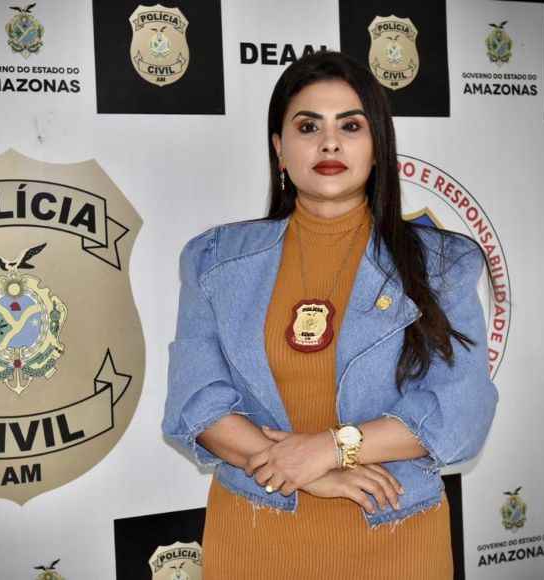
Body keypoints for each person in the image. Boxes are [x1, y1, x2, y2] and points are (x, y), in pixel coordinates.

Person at [162, 50, 498, 579]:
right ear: (279, 148)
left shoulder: (441, 264)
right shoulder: (214, 261)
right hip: (254, 537)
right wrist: (312, 473)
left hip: (396, 537)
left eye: (350, 125)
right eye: (307, 126)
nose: (329, 142)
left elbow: (461, 413)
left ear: (377, 147)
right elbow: (197, 404)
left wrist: (331, 448)